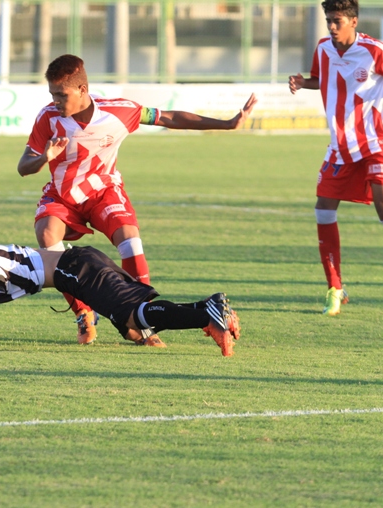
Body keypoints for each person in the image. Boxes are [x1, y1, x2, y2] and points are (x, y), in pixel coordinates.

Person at [17, 54, 257, 345]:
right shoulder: (48, 118)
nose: (55, 100)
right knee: (47, 237)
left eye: (61, 94)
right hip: (62, 196)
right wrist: (44, 158)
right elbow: (23, 166)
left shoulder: (119, 111)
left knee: (131, 241)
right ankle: (83, 313)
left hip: (103, 191)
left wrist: (227, 124)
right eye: (52, 94)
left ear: (82, 90)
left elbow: (168, 117)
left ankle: (145, 321)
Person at [0, 211, 241, 357]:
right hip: (80, 265)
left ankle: (206, 313)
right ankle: (208, 313)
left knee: (134, 316)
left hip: (75, 270)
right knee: (133, 330)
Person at [289, 0, 383, 316]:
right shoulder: (324, 49)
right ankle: (335, 289)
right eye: (328, 20)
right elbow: (320, 80)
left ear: (353, 21)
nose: (331, 26)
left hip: (377, 143)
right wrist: (301, 82)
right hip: (341, 146)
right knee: (323, 210)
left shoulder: (374, 50)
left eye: (337, 20)